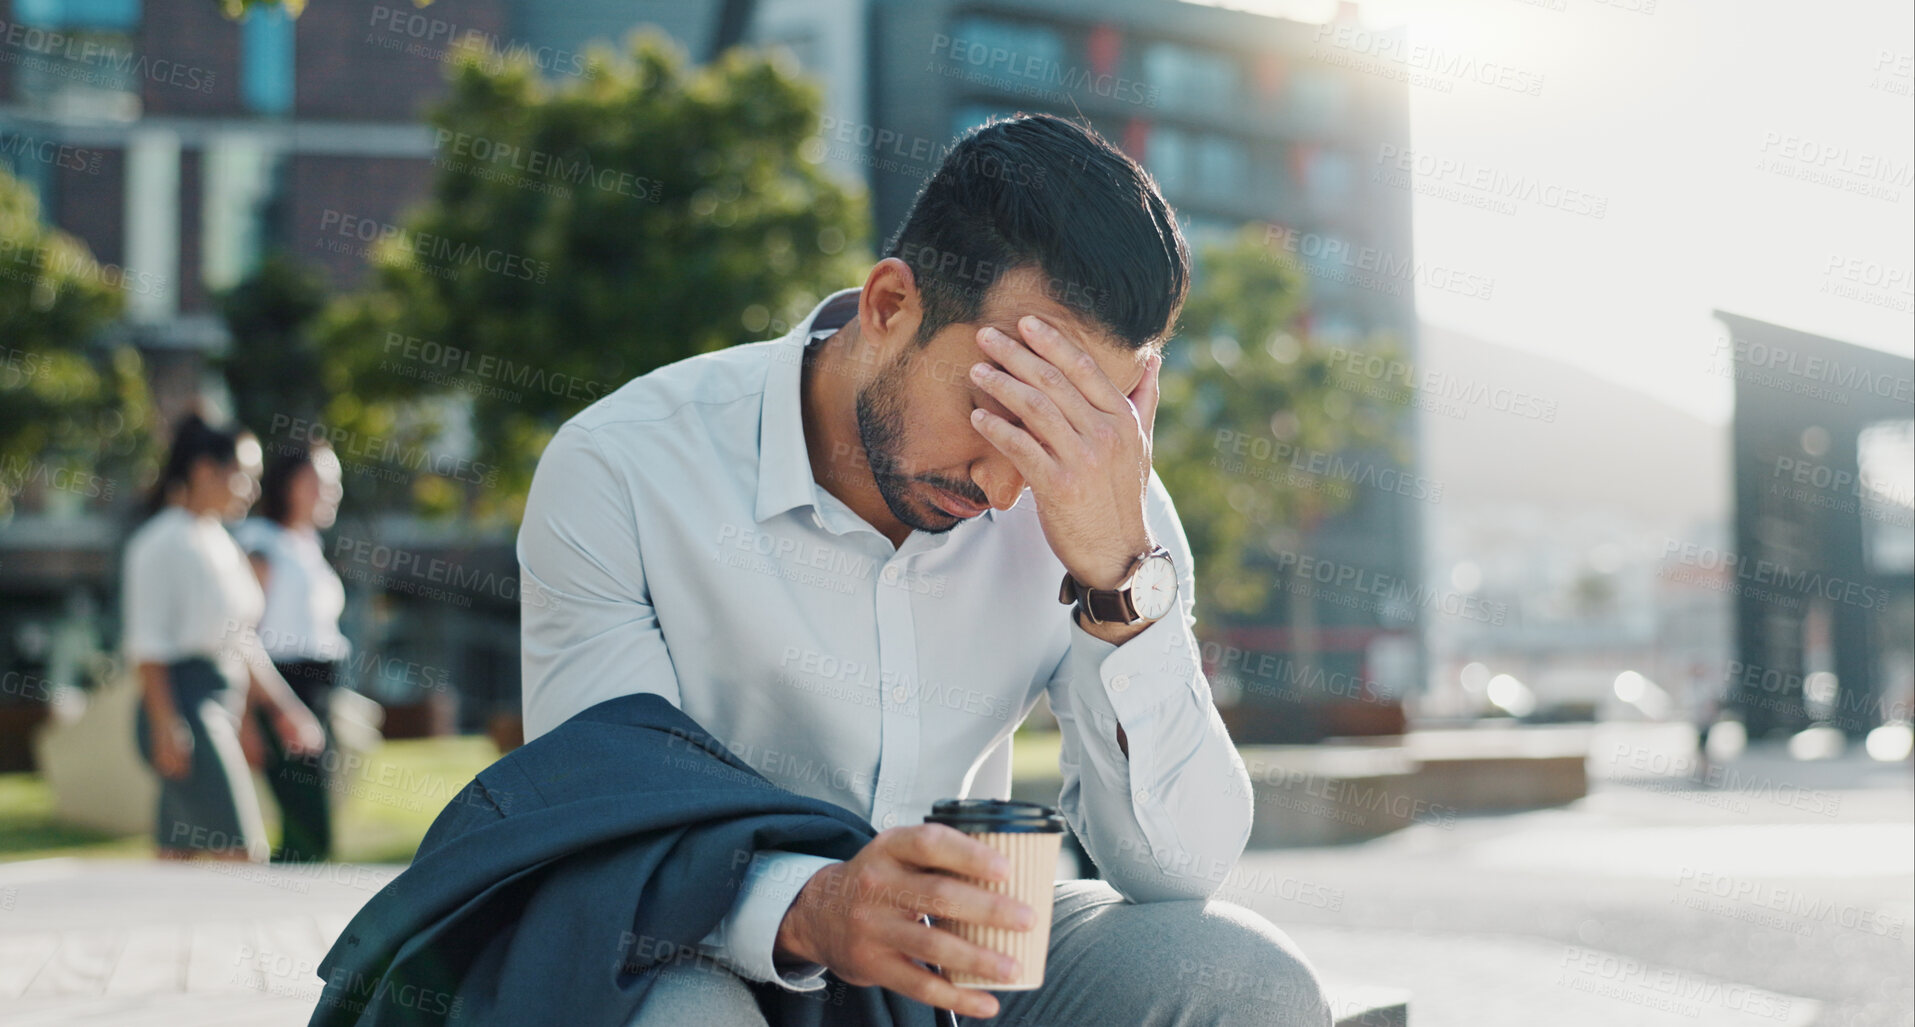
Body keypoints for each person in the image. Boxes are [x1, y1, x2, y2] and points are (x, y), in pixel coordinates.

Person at [518, 114, 1331, 1025]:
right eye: (997, 405)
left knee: (1246, 977)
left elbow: (1178, 869)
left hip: (966, 966)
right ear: (889, 306)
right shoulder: (623, 467)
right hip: (700, 945)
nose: (1005, 483)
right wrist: (817, 908)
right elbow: (594, 832)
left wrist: (1117, 579)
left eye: (1063, 418)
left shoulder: (1093, 499)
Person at [122, 413, 327, 861]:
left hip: (217, 706)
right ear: (204, 472)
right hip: (182, 714)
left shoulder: (220, 542)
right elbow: (147, 646)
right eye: (244, 476)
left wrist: (284, 708)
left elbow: (243, 641)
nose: (253, 490)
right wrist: (166, 726)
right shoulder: (160, 543)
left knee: (177, 855)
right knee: (241, 851)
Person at [234, 440, 350, 862]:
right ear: (290, 483)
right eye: (321, 482)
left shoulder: (307, 545)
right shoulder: (261, 543)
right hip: (282, 693)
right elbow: (243, 637)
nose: (331, 492)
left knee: (313, 830)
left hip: (318, 692)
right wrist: (250, 718)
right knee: (308, 831)